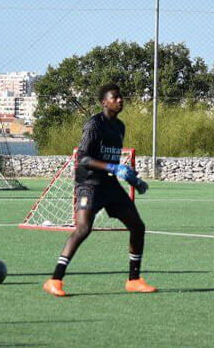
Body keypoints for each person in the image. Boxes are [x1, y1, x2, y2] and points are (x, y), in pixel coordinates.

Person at [42, 83, 156, 296]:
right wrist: (113, 166)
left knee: (137, 226)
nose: (120, 100)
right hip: (89, 184)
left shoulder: (120, 127)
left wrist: (133, 180)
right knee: (84, 229)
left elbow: (112, 159)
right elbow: (84, 158)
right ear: (105, 102)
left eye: (121, 97)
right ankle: (55, 280)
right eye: (115, 97)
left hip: (110, 184)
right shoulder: (93, 124)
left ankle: (134, 279)